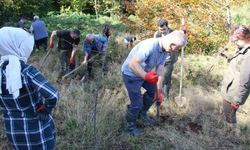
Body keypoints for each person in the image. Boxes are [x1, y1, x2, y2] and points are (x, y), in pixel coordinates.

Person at [0, 27, 59, 149]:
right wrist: (45, 109)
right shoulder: (27, 71)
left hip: (14, 131)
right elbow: (52, 95)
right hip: (36, 130)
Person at [121, 30, 186, 136]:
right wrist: (145, 76)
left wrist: (159, 90)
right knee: (136, 103)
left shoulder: (165, 51)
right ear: (170, 41)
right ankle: (130, 127)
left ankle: (142, 114)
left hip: (144, 73)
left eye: (177, 48)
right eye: (175, 47)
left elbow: (160, 70)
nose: (175, 50)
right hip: (131, 74)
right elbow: (132, 64)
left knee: (153, 93)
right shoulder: (150, 46)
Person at [221, 25, 250, 135]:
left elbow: (246, 80)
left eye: (236, 40)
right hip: (230, 88)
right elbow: (237, 62)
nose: (235, 43)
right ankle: (228, 132)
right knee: (227, 114)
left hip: (234, 92)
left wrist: (237, 100)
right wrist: (226, 55)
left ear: (244, 38)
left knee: (230, 116)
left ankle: (234, 135)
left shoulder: (249, 55)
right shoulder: (242, 50)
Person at [154, 19, 177, 100]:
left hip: (169, 60)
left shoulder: (173, 34)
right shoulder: (157, 34)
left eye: (164, 29)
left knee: (166, 77)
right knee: (158, 77)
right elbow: (155, 46)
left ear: (167, 27)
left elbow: (181, 42)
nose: (162, 31)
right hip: (159, 60)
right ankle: (158, 94)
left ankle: (166, 96)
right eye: (160, 30)